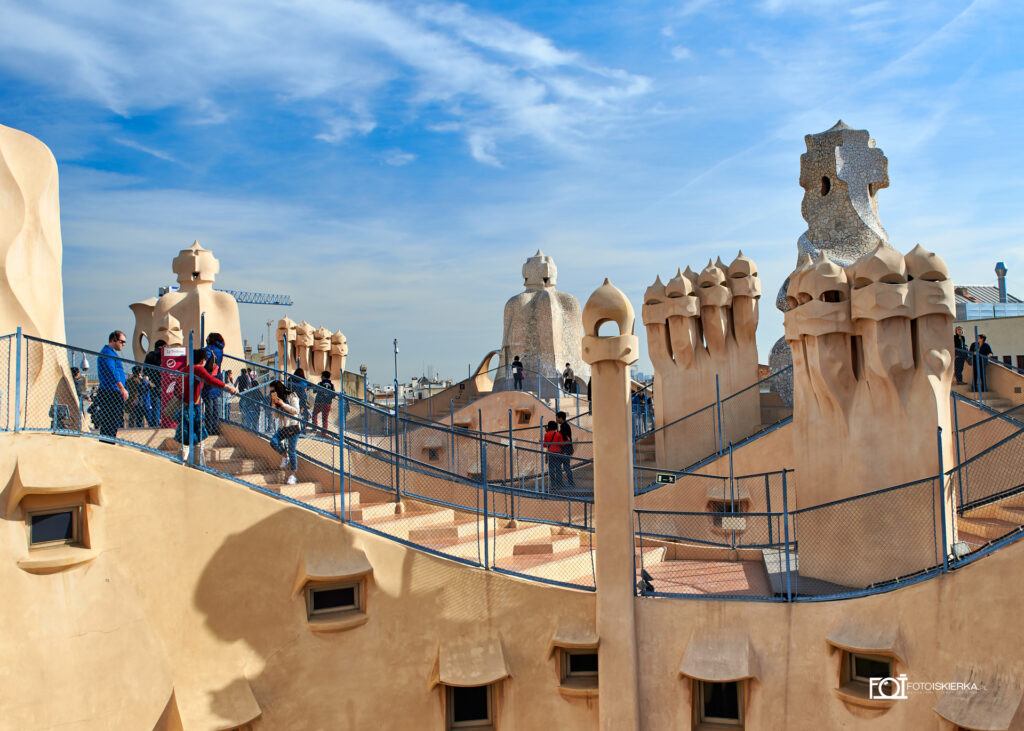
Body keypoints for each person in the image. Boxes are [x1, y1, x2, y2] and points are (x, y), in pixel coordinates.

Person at [174, 348, 237, 466]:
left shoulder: (185, 369)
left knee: (189, 438)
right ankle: (194, 465)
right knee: (195, 440)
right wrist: (227, 387)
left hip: (186, 406)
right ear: (203, 360)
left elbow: (178, 388)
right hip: (195, 408)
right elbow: (210, 379)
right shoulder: (198, 369)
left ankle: (184, 463)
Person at [96, 331, 129, 441]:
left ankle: (109, 441)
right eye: (122, 341)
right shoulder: (107, 353)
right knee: (110, 421)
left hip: (113, 391)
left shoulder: (111, 353)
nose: (123, 344)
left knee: (113, 422)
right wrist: (122, 387)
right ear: (113, 340)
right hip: (110, 392)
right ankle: (107, 443)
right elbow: (112, 371)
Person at [268, 380, 302, 485]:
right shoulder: (278, 400)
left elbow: (296, 410)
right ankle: (284, 455)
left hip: (292, 427)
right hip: (283, 428)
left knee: (292, 451)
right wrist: (274, 405)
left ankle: (292, 475)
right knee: (273, 441)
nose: (272, 393)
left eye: (273, 391)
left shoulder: (292, 395)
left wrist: (283, 404)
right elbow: (276, 416)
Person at [202, 333, 226, 435]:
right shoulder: (220, 350)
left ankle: (208, 428)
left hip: (208, 378)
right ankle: (215, 427)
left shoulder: (208, 349)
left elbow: (204, 361)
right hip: (217, 378)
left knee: (208, 405)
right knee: (216, 404)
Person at [143, 339, 166, 427]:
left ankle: (154, 424)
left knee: (155, 405)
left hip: (153, 383)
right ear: (162, 346)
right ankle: (164, 423)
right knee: (165, 405)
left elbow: (145, 370)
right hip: (165, 383)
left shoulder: (150, 355)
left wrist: (149, 381)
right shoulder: (165, 355)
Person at [542, 420, 565, 491]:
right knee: (558, 468)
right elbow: (562, 444)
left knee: (551, 469)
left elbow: (545, 445)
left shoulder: (546, 434)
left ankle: (553, 485)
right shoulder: (558, 434)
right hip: (558, 453)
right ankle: (560, 484)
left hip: (550, 453)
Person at [555, 411, 576, 490]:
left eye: (557, 418)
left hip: (565, 450)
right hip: (565, 450)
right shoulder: (564, 426)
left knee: (566, 467)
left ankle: (570, 483)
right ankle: (564, 483)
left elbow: (566, 439)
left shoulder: (565, 426)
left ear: (560, 418)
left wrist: (564, 450)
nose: (557, 420)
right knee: (564, 466)